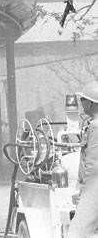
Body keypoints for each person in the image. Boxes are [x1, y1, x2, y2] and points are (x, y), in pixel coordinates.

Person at [68, 81, 98, 237]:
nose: (81, 104)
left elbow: (93, 165)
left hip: (94, 188)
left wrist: (84, 192)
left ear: (92, 103)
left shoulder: (95, 126)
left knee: (76, 233)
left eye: (83, 100)